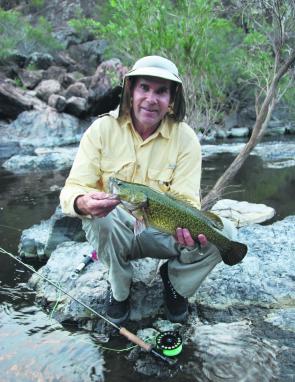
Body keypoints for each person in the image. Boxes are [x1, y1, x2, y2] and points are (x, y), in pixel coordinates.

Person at [60, 55, 236, 324]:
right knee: (100, 219)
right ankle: (119, 290)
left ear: (172, 98)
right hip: (119, 231)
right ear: (130, 90)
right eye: (144, 88)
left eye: (161, 91)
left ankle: (176, 283)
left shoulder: (186, 138)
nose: (151, 99)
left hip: (166, 232)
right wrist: (83, 202)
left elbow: (187, 201)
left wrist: (192, 232)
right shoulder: (101, 130)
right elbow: (72, 189)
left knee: (225, 233)